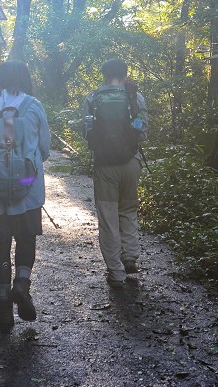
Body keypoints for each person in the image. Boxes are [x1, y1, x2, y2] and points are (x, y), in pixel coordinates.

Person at [0, 60, 51, 329]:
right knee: (26, 238)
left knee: (0, 243)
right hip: (26, 183)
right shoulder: (34, 106)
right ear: (25, 78)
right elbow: (45, 149)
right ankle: (22, 285)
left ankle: (3, 299)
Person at [82, 58, 148, 288]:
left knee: (108, 217)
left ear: (104, 74)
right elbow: (143, 132)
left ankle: (116, 273)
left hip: (105, 166)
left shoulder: (93, 98)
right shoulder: (134, 97)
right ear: (125, 73)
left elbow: (87, 132)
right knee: (128, 209)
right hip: (131, 162)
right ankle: (130, 255)